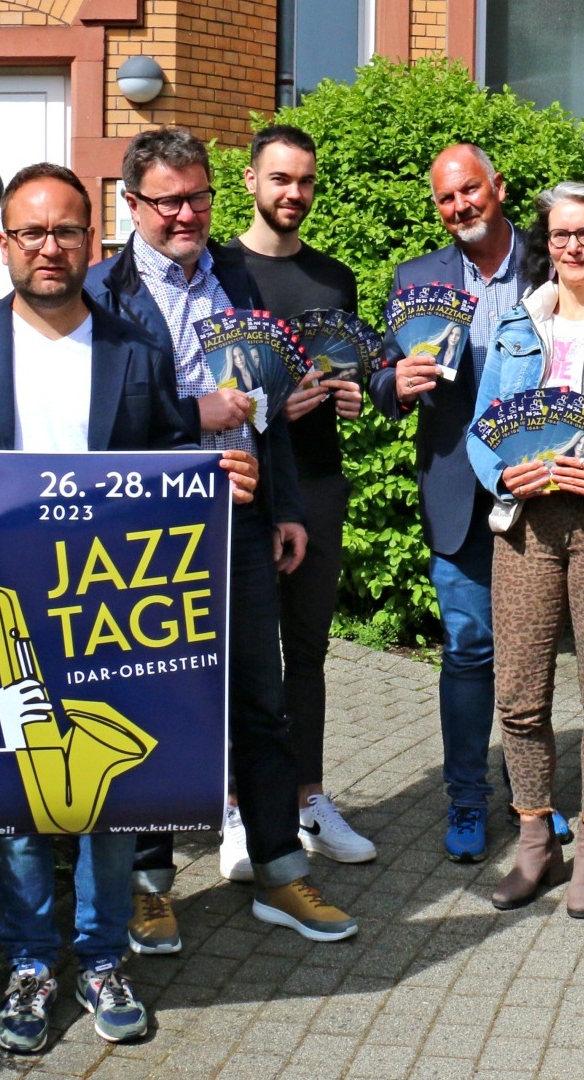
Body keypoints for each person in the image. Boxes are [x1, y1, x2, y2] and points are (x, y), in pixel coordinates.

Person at [0, 163, 259, 1052]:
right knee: (14, 800)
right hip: (4, 602)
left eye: (65, 231)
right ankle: (28, 963)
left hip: (102, 605)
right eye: (31, 232)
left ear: (92, 241)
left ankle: (101, 958)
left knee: (107, 799)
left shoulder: (134, 347)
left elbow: (170, 455)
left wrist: (218, 480)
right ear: (4, 244)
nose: (48, 247)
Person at [84, 126, 357, 948]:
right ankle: (149, 883)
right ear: (132, 204)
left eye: (196, 197)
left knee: (260, 702)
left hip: (241, 522)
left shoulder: (238, 278)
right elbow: (98, 420)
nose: (185, 214)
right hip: (145, 532)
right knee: (152, 703)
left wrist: (286, 507)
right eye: (167, 201)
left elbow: (264, 406)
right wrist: (190, 419)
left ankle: (279, 869)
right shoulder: (101, 291)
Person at [464, 182, 584, 917]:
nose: (573, 246)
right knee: (518, 693)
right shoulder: (518, 321)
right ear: (546, 244)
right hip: (525, 525)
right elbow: (482, 429)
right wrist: (500, 473)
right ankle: (535, 839)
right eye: (560, 234)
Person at [369, 144, 533, 862]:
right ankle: (467, 799)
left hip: (539, 488)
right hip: (457, 493)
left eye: (470, 190)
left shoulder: (553, 258)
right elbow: (381, 379)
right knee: (468, 650)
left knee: (530, 655)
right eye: (446, 198)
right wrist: (395, 385)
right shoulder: (417, 279)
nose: (460, 206)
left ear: (499, 187)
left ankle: (533, 797)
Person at [225, 123, 377, 872]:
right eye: (281, 178)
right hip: (242, 485)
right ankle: (234, 806)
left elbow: (346, 364)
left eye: (305, 181)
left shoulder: (332, 279)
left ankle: (308, 797)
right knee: (234, 648)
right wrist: (266, 410)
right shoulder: (220, 271)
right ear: (251, 180)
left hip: (316, 480)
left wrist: (350, 395)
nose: (294, 193)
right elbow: (204, 382)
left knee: (307, 649)